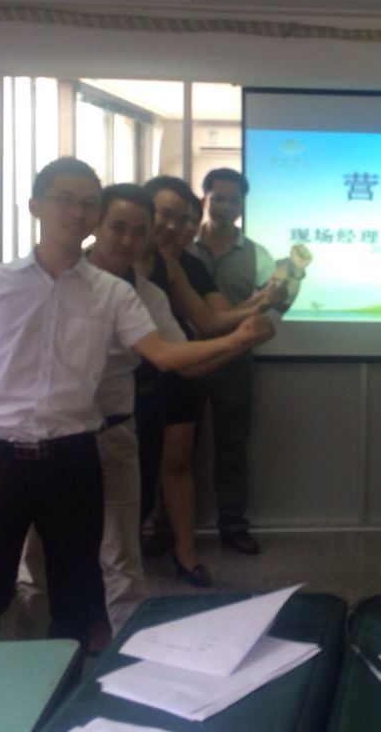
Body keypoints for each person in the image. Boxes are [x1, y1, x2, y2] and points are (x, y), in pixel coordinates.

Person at [0, 158, 267, 643]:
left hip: (76, 455)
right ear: (35, 206)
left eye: (87, 204)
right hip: (0, 457)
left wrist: (236, 340)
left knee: (79, 594)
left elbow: (164, 353)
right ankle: (4, 678)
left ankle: (75, 676)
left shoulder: (116, 294)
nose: (76, 212)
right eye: (65, 200)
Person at [139, 174, 275, 578]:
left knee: (191, 457)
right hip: (127, 387)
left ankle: (194, 547)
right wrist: (242, 331)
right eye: (166, 215)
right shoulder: (107, 268)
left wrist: (259, 308)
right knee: (141, 470)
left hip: (188, 368)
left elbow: (210, 321)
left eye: (183, 219)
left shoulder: (180, 267)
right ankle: (155, 538)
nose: (175, 227)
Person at [188, 168, 312, 555]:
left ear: (242, 206)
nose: (225, 206)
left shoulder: (258, 254)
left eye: (233, 200)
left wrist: (292, 279)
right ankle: (167, 528)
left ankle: (232, 525)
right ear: (205, 198)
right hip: (183, 360)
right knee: (178, 450)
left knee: (232, 447)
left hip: (234, 361)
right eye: (218, 198)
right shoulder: (182, 248)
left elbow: (275, 302)